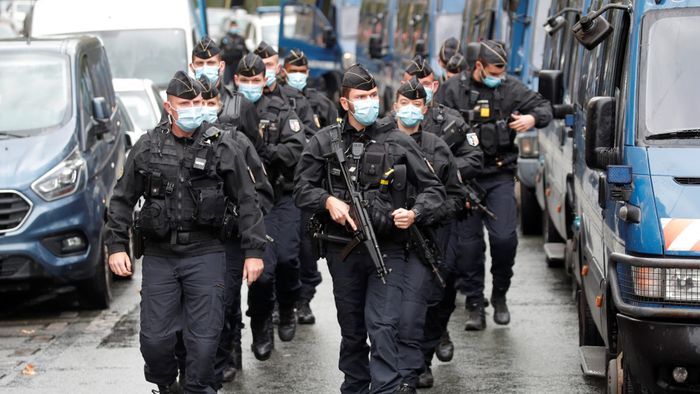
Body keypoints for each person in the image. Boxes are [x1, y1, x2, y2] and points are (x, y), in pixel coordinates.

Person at [105, 71, 266, 394]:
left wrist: (253, 252)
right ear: (169, 107)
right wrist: (116, 246)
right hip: (160, 256)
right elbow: (122, 199)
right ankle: (166, 384)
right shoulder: (148, 146)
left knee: (204, 344)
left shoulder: (223, 146)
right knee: (155, 341)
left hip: (206, 253)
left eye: (198, 102)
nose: (195, 108)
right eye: (186, 103)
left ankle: (196, 388)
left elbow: (248, 200)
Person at [293, 64, 445, 394]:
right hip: (343, 250)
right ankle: (356, 387)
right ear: (345, 103)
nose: (369, 102)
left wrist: (414, 212)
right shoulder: (324, 142)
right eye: (361, 97)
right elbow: (301, 189)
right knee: (352, 330)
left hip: (388, 247)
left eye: (373, 95)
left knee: (384, 324)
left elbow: (435, 189)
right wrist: (327, 201)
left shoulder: (397, 140)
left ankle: (387, 388)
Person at [436, 40, 552, 330]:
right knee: (468, 247)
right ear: (478, 66)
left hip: (499, 175)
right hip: (465, 179)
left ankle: (499, 294)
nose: (498, 76)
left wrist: (531, 118)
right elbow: (434, 126)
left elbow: (544, 107)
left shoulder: (510, 88)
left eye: (502, 72)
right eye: (493, 71)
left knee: (504, 239)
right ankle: (476, 305)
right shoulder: (452, 91)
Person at [401, 57, 485, 387]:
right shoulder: (385, 129)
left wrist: (443, 173)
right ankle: (408, 362)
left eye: (421, 85)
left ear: (434, 87)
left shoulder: (451, 123)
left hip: (440, 221)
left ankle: (425, 352)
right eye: (408, 87)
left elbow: (473, 157)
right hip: (400, 223)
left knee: (442, 287)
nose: (414, 95)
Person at [388, 77, 469, 393]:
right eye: (404, 103)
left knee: (431, 302)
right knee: (394, 311)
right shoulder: (381, 141)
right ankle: (401, 370)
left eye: (416, 104)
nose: (409, 110)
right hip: (390, 239)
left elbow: (455, 197)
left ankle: (420, 361)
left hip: (431, 238)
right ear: (394, 106)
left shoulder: (437, 147)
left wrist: (422, 213)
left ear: (425, 108)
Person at [198, 76, 274, 385]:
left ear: (217, 105)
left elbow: (261, 193)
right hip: (193, 241)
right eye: (192, 103)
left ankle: (224, 354)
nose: (200, 110)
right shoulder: (168, 142)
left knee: (224, 300)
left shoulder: (237, 143)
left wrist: (243, 226)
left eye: (206, 102)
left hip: (227, 240)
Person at [234, 53, 307, 361]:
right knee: (261, 272)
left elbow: (297, 149)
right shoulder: (228, 110)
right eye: (246, 80)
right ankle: (261, 325)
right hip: (249, 201)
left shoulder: (281, 109)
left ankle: (288, 305)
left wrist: (266, 150)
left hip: (280, 196)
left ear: (265, 79)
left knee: (289, 259)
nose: (252, 85)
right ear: (237, 81)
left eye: (256, 80)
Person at [281, 48, 340, 324]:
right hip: (283, 185)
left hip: (313, 186)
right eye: (291, 71)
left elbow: (335, 140)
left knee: (307, 248)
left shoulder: (321, 103)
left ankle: (304, 299)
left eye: (301, 72)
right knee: (286, 250)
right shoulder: (279, 102)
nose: (296, 76)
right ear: (283, 72)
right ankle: (284, 300)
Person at [189, 37, 260, 151]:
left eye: (211, 63)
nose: (205, 68)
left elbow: (256, 150)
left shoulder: (241, 105)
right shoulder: (181, 105)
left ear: (221, 67)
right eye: (200, 63)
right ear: (192, 67)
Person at [253, 41, 318, 136]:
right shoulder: (244, 100)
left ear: (278, 69)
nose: (264, 69)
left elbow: (310, 138)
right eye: (260, 65)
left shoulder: (296, 99)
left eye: (269, 65)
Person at [220, 20, 248, 86]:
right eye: (232, 26)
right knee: (226, 83)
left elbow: (246, 50)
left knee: (237, 82)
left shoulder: (241, 39)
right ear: (229, 27)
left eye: (235, 26)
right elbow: (219, 50)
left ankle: (236, 94)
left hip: (237, 64)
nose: (234, 28)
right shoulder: (225, 39)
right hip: (228, 64)